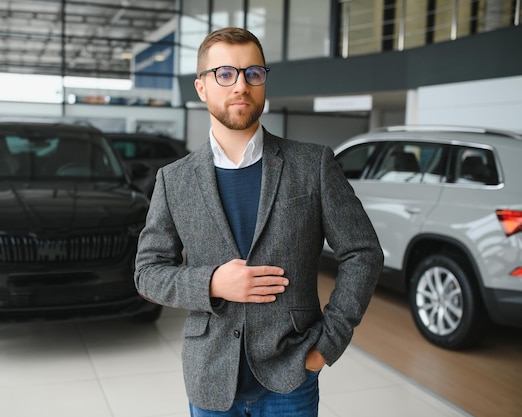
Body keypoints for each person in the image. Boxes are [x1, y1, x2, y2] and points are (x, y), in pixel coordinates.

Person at [134, 27, 383, 417]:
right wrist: (213, 282)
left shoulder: (313, 164)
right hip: (210, 376)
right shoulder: (174, 179)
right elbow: (147, 273)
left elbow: (363, 252)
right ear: (201, 87)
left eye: (253, 73)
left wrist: (327, 345)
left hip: (292, 374)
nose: (241, 85)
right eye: (225, 74)